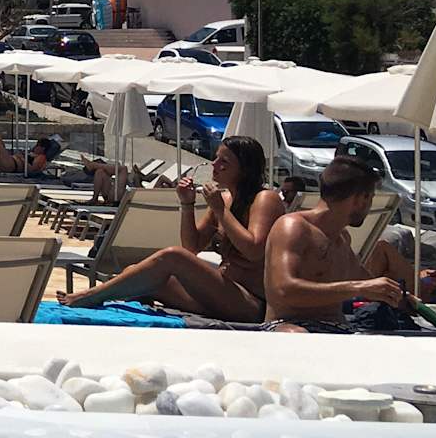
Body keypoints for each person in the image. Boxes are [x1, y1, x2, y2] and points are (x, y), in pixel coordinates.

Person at [62, 136, 281, 322]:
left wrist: (220, 211)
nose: (214, 164)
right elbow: (192, 247)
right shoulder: (223, 200)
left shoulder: (264, 199)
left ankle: (91, 295)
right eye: (215, 158)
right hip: (218, 294)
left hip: (248, 303)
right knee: (137, 276)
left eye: (224, 161)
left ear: (245, 169)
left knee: (173, 256)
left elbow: (254, 250)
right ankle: (116, 319)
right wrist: (187, 204)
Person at [263, 157, 411, 330]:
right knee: (299, 336)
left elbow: (363, 279)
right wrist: (360, 288)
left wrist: (398, 295)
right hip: (289, 326)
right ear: (360, 199)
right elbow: (284, 290)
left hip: (337, 329)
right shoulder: (293, 228)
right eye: (370, 198)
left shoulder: (342, 238)